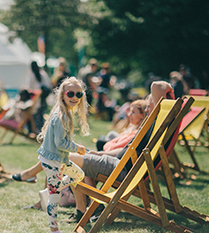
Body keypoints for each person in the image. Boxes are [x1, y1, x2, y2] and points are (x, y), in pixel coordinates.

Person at [14, 81, 175, 223]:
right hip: (116, 164)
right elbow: (126, 150)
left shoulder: (157, 122)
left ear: (158, 105)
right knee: (66, 160)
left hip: (120, 169)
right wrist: (99, 154)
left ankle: (35, 179)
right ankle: (79, 209)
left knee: (63, 156)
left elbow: (158, 86)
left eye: (149, 104)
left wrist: (169, 95)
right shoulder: (153, 126)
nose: (147, 108)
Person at [35, 76, 89, 233]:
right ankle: (54, 232)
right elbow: (60, 143)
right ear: (63, 95)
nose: (74, 98)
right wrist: (77, 148)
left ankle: (51, 189)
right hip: (53, 160)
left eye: (78, 94)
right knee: (54, 198)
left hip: (58, 159)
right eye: (70, 93)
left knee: (78, 175)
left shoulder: (64, 112)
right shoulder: (62, 116)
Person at [25, 61, 52, 132]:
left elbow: (29, 88)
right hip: (43, 99)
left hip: (35, 99)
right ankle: (40, 130)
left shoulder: (32, 75)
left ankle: (33, 130)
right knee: (40, 115)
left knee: (34, 115)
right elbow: (48, 85)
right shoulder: (43, 74)